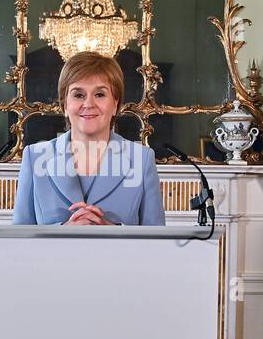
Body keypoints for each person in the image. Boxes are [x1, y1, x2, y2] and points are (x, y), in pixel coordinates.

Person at [13, 52, 164, 226]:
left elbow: (157, 244)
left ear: (115, 104)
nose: (89, 104)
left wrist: (110, 231)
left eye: (99, 94)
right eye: (78, 95)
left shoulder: (142, 159)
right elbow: (19, 241)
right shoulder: (34, 157)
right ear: (65, 106)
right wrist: (63, 232)